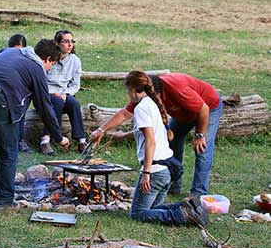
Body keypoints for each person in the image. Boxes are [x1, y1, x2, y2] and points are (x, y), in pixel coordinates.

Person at [0, 39, 70, 211]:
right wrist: (59, 137)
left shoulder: (9, 51)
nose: (49, 70)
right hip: (4, 99)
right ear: (47, 59)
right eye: (51, 65)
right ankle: (4, 201)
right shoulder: (37, 68)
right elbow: (45, 107)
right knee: (9, 150)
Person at [90, 71, 222, 199]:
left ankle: (198, 194)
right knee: (171, 143)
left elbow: (203, 109)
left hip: (208, 108)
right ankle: (173, 185)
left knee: (202, 150)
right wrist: (101, 130)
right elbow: (125, 114)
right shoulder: (144, 92)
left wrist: (199, 136)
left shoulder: (176, 89)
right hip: (183, 114)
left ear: (156, 93)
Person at [108, 71, 209, 226]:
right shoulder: (154, 103)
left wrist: (146, 173)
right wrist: (123, 136)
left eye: (128, 91)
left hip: (156, 172)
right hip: (167, 170)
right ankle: (190, 208)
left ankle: (183, 216)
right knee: (153, 209)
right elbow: (150, 132)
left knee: (138, 214)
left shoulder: (141, 108)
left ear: (134, 90)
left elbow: (150, 141)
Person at [40, 29, 86, 156]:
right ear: (57, 43)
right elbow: (40, 81)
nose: (70, 45)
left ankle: (81, 141)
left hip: (64, 93)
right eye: (66, 41)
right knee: (57, 102)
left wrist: (66, 93)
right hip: (47, 94)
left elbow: (75, 85)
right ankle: (45, 140)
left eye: (72, 41)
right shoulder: (49, 58)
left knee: (74, 103)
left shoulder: (75, 61)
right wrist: (54, 93)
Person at [6, 33, 33, 153]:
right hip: (4, 93)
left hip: (20, 94)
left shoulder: (27, 61)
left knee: (20, 110)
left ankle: (20, 140)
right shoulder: (4, 59)